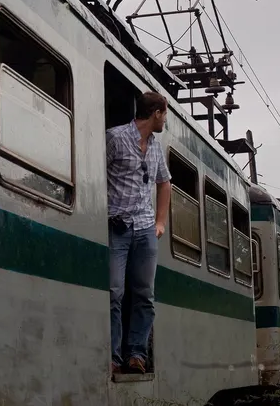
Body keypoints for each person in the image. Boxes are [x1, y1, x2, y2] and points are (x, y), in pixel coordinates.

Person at [105, 91, 172, 374]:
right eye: (164, 115)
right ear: (156, 113)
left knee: (144, 296)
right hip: (117, 227)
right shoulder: (115, 138)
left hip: (145, 230)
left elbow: (164, 183)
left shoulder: (156, 147)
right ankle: (113, 356)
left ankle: (136, 355)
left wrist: (160, 222)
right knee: (114, 292)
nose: (164, 120)